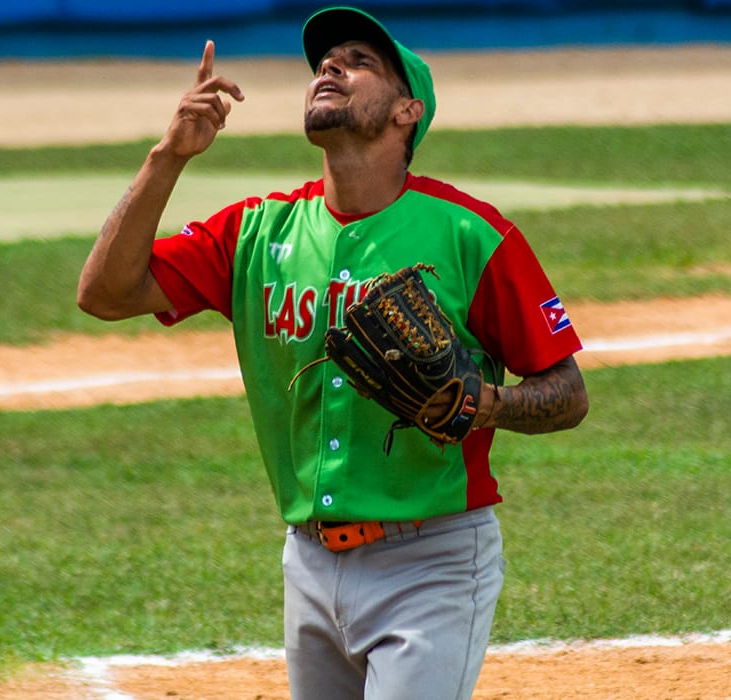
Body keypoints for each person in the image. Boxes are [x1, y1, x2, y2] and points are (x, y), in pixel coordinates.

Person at [78, 6, 588, 699]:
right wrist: (168, 156)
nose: (330, 67)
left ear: (408, 111)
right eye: (325, 61)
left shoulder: (471, 236)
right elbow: (106, 292)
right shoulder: (259, 232)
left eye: (359, 60)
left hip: (432, 561)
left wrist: (485, 404)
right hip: (308, 563)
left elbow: (568, 391)